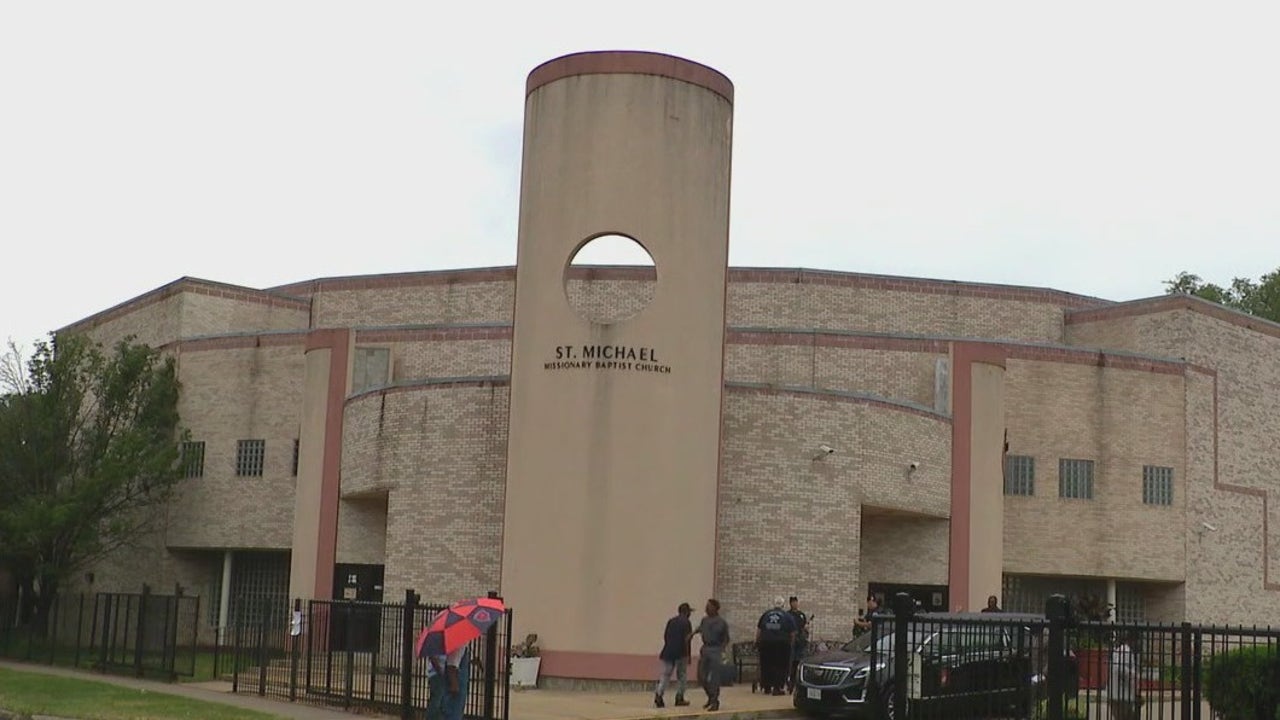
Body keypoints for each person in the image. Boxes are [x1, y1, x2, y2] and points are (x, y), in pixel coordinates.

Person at [693, 598, 730, 712]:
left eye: (709, 606)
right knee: (701, 676)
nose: (706, 608)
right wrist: (691, 634)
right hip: (705, 649)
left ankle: (714, 701)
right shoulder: (704, 620)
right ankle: (710, 696)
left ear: (715, 608)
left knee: (714, 678)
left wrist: (722, 651)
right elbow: (699, 629)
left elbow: (726, 638)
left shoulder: (721, 622)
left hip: (716, 649)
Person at [654, 602, 694, 708]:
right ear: (686, 612)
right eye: (689, 612)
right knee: (682, 676)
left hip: (668, 651)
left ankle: (659, 694)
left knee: (665, 675)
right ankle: (679, 697)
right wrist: (688, 655)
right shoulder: (686, 622)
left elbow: (666, 636)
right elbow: (687, 640)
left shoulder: (671, 621)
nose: (690, 614)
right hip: (681, 652)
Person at [756, 597, 797, 696]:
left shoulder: (766, 614)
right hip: (781, 644)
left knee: (766, 664)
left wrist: (758, 642)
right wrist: (791, 644)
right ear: (783, 605)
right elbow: (793, 633)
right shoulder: (787, 616)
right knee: (781, 666)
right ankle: (777, 688)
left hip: (766, 643)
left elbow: (759, 631)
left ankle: (767, 687)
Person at [426, 643, 470, 720]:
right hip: (444, 676)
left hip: (444, 675)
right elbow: (452, 665)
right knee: (439, 703)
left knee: (440, 703)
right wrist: (454, 683)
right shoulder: (459, 642)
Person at [1107, 631, 1142, 720]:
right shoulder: (1127, 652)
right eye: (1137, 641)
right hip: (1123, 696)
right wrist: (1133, 675)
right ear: (1132, 640)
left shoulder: (1118, 650)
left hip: (1115, 693)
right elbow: (1119, 668)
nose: (1138, 644)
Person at [786, 596, 809, 692]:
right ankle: (789, 681)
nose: (795, 604)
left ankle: (797, 681)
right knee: (791, 661)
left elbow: (804, 627)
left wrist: (806, 630)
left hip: (801, 641)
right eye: (793, 602)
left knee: (799, 661)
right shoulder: (787, 615)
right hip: (791, 641)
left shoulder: (801, 615)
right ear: (790, 603)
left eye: (796, 602)